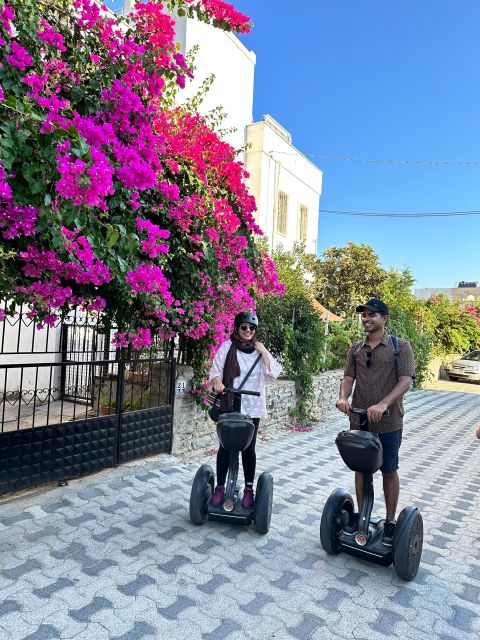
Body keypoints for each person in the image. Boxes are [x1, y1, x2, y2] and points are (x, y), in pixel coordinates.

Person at [336, 298, 415, 545]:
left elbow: (406, 380)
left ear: (384, 318)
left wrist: (383, 404)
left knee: (388, 470)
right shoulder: (356, 349)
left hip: (389, 422)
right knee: (361, 469)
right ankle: (362, 516)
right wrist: (343, 397)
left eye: (372, 315)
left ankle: (390, 522)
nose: (366, 318)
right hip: (359, 420)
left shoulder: (400, 347)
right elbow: (348, 378)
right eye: (364, 315)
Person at [208, 311, 281, 509]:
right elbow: (215, 370)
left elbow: (274, 373)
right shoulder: (227, 347)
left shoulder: (259, 351)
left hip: (252, 407)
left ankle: (249, 489)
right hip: (229, 402)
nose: (248, 331)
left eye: (251, 328)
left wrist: (264, 350)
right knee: (225, 446)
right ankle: (220, 487)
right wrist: (217, 381)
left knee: (249, 447)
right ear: (237, 329)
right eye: (244, 327)